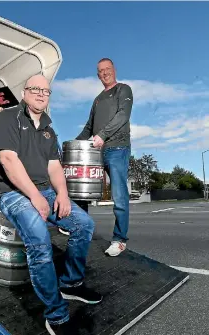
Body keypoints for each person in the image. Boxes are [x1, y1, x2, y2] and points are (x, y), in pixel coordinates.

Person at [0, 74, 102, 335]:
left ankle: (71, 283)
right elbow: (8, 160)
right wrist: (36, 196)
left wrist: (62, 193)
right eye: (35, 89)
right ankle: (57, 316)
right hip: (14, 193)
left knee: (83, 224)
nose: (41, 94)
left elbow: (54, 166)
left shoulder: (49, 127)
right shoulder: (8, 118)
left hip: (46, 191)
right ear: (24, 92)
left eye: (46, 91)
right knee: (39, 238)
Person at [76, 58, 133, 257]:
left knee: (119, 196)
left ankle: (119, 240)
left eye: (108, 69)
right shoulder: (98, 99)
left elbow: (122, 116)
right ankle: (80, 227)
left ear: (114, 70)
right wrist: (73, 145)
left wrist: (102, 135)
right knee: (80, 188)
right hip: (97, 151)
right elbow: (88, 128)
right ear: (98, 75)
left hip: (117, 148)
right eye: (101, 71)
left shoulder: (123, 90)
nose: (105, 73)